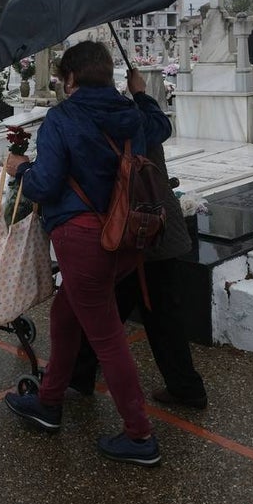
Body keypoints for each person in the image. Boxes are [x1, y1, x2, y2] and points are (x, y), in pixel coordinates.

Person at [3, 41, 171, 467]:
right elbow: (160, 128)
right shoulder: (130, 113)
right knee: (66, 312)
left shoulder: (63, 118)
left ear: (72, 78)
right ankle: (49, 401)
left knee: (108, 339)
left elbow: (44, 185)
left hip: (84, 240)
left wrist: (19, 167)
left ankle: (139, 435)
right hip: (125, 237)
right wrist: (140, 91)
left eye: (63, 78)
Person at [69, 139, 208, 409]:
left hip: (138, 232)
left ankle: (79, 375)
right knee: (159, 315)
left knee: (110, 313)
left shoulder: (123, 120)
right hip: (155, 228)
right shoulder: (146, 114)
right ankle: (186, 387)